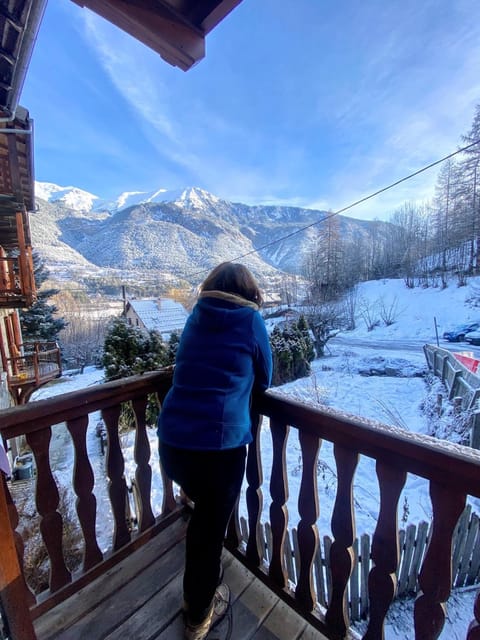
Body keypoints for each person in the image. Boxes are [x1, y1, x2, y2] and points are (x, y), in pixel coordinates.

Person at [157, 262, 273, 640]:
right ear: (250, 293)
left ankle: (198, 594)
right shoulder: (250, 321)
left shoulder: (195, 317)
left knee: (202, 520)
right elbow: (266, 376)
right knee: (208, 537)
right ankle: (198, 617)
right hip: (218, 450)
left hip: (173, 444)